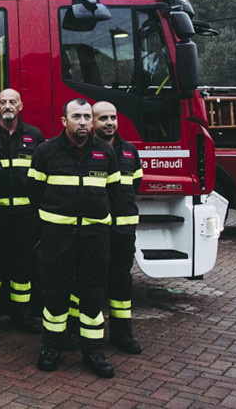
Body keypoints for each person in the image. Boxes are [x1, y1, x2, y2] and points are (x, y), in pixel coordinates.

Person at [29, 98, 120, 378]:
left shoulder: (105, 152)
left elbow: (114, 193)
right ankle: (51, 347)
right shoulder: (45, 152)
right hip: (58, 237)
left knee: (92, 295)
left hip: (94, 238)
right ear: (63, 121)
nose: (82, 122)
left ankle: (92, 350)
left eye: (86, 117)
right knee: (55, 293)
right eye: (76, 116)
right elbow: (34, 192)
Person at [0, 88, 44, 334]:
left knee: (22, 266)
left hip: (25, 217)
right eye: (3, 101)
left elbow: (41, 175)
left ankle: (22, 316)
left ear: (20, 106)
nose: (8, 105)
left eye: (12, 102)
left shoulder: (33, 135)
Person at [92, 101, 143, 354]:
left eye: (113, 117)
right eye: (103, 118)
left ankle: (122, 335)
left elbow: (135, 186)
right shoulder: (87, 151)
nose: (110, 122)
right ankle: (89, 336)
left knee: (121, 282)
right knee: (91, 282)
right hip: (96, 231)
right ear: (92, 122)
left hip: (123, 231)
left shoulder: (130, 152)